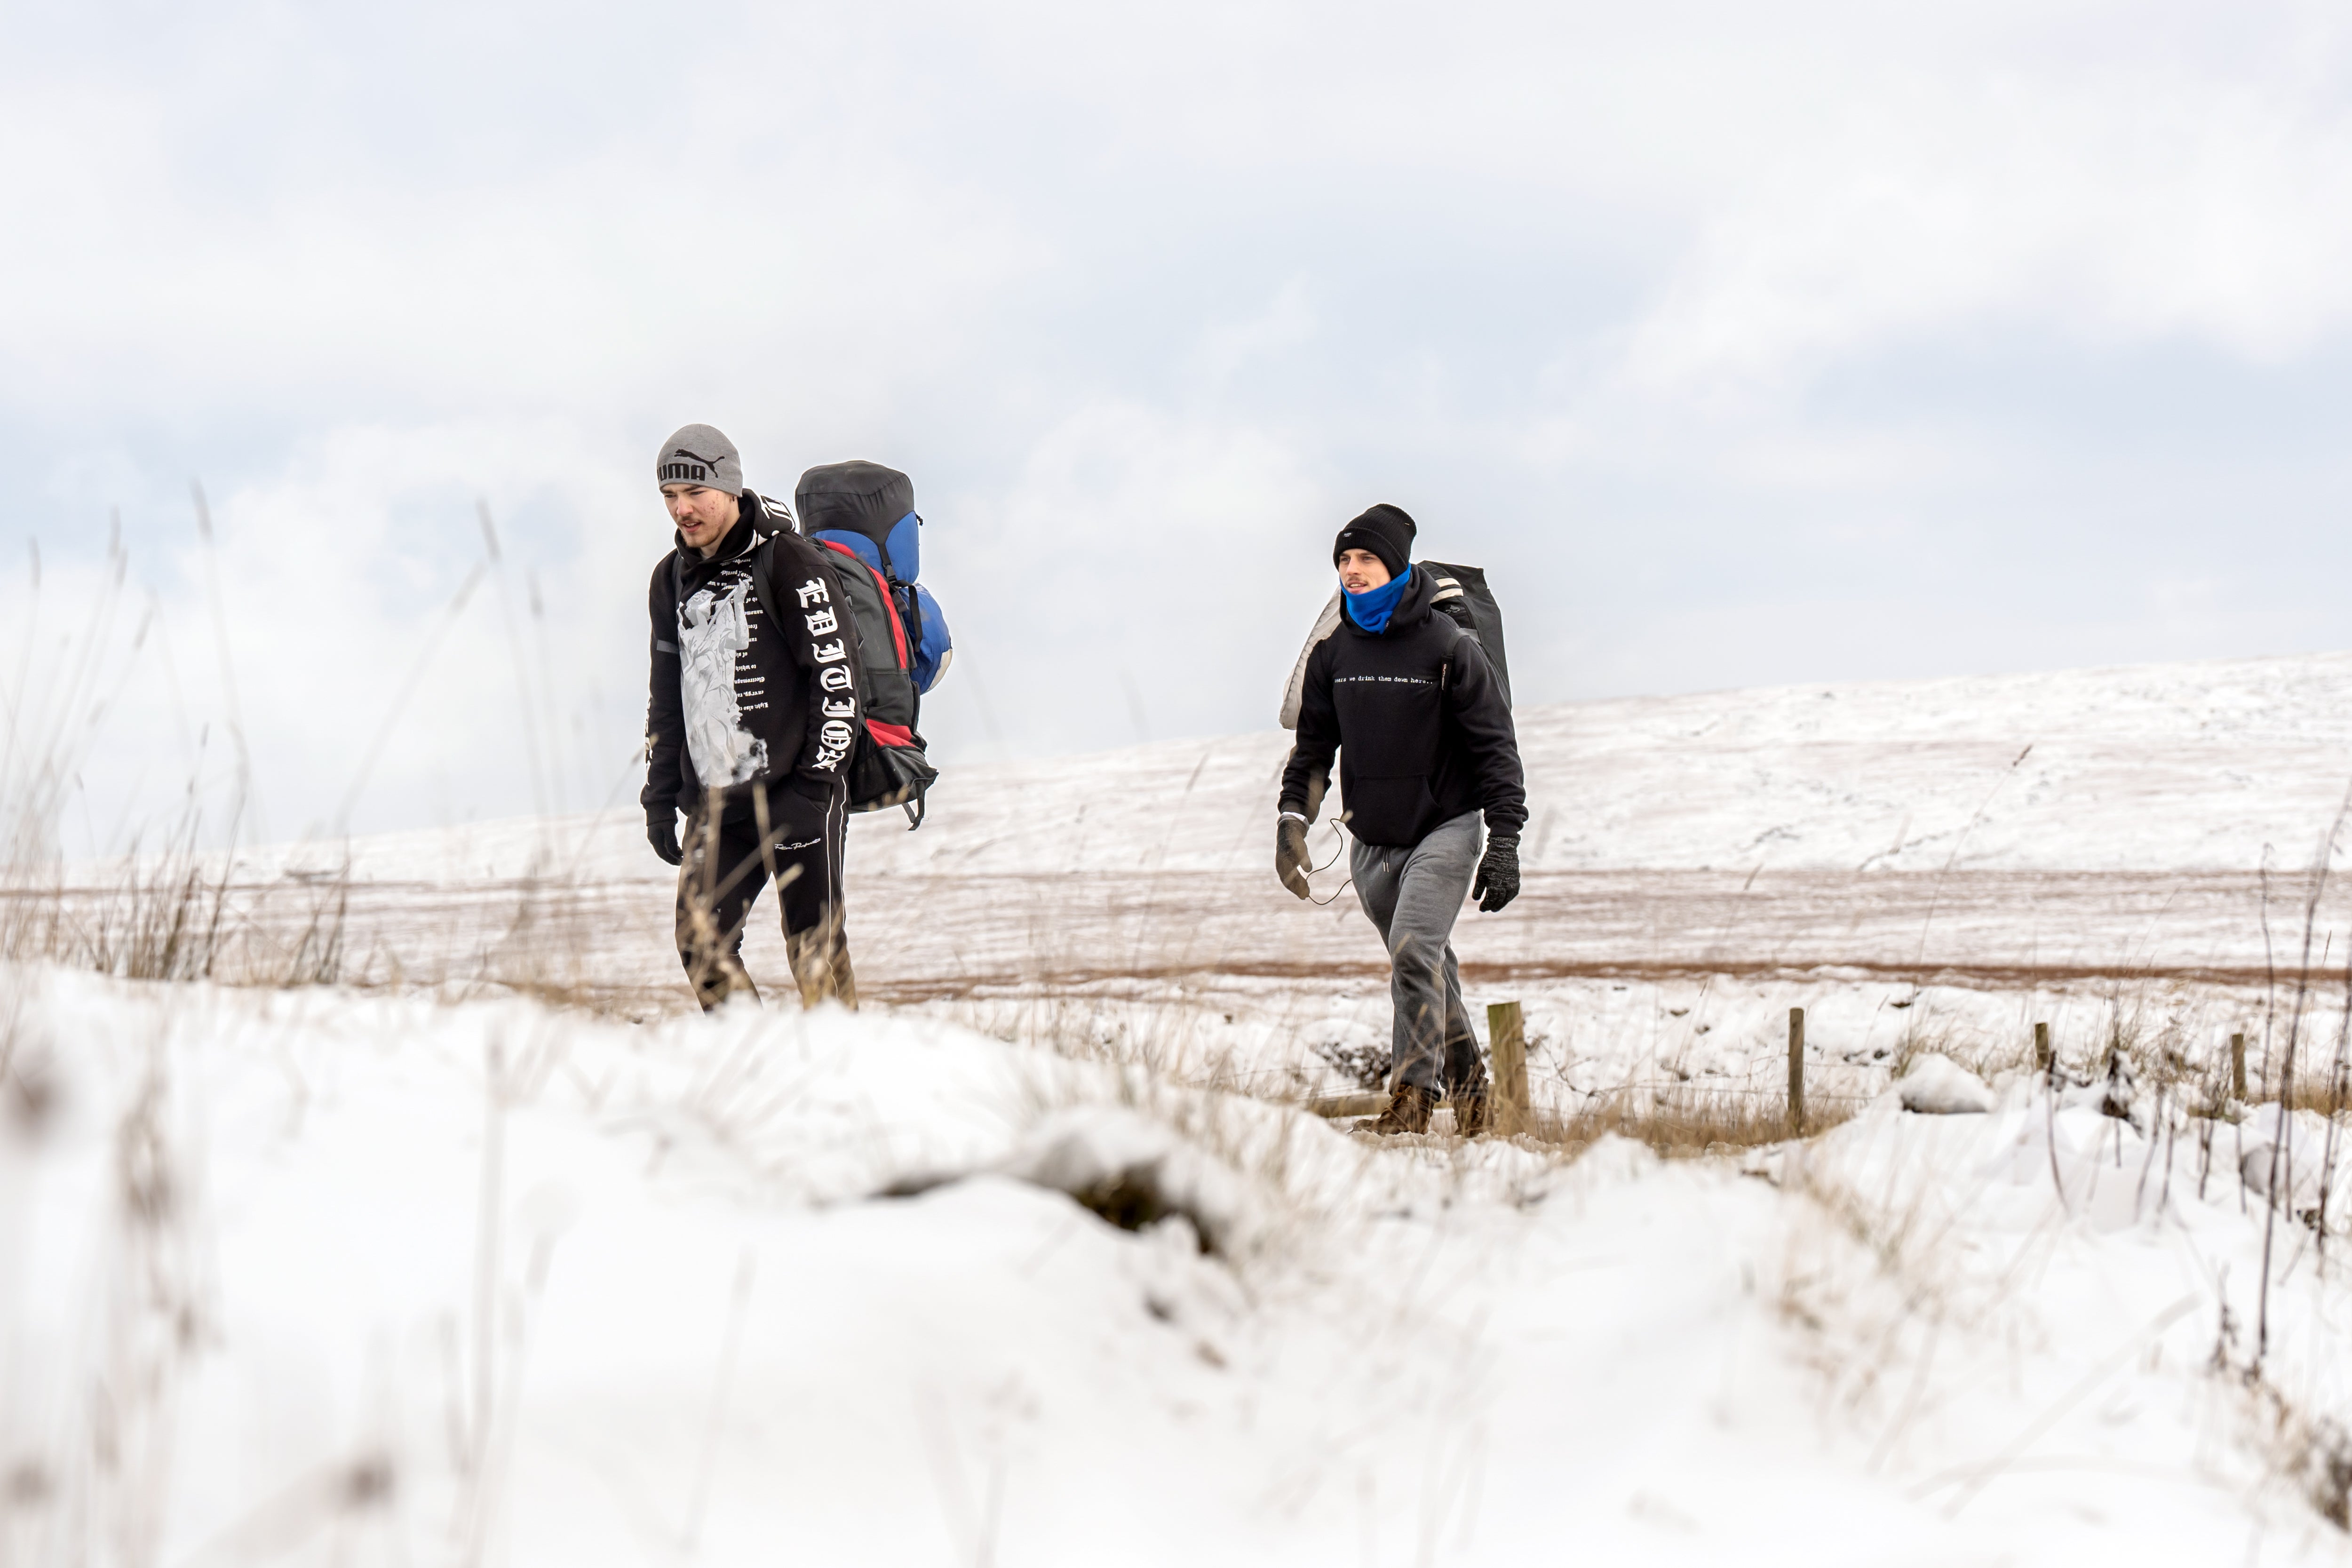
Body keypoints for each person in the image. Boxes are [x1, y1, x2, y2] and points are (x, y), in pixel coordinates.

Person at [1277, 504, 1527, 1135]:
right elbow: (1312, 750)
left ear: (1395, 565)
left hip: (1445, 827)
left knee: (1415, 949)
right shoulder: (1334, 654)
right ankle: (1473, 1089)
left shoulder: (1448, 647)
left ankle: (1412, 1096)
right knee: (1426, 964)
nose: (1352, 570)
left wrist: (1505, 841)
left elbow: (1495, 745)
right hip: (1371, 842)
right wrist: (1291, 822)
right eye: (1344, 559)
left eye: (1365, 558)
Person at [642, 423, 863, 1010]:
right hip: (718, 802)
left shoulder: (789, 562)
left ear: (730, 488)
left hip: (798, 792)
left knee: (813, 951)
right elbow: (668, 693)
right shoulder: (669, 579)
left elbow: (839, 683)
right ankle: (757, 1064)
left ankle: (853, 1078)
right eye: (669, 495)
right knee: (700, 941)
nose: (681, 509)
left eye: (695, 492)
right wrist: (660, 796)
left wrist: (813, 792)